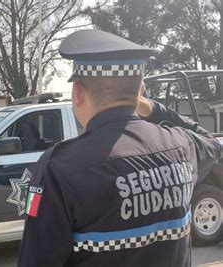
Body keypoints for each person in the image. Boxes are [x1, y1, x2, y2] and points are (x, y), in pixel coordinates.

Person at [18, 29, 220, 266]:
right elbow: (210, 142)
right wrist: (154, 109)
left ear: (78, 92)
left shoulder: (59, 168)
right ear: (141, 91)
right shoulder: (181, 146)